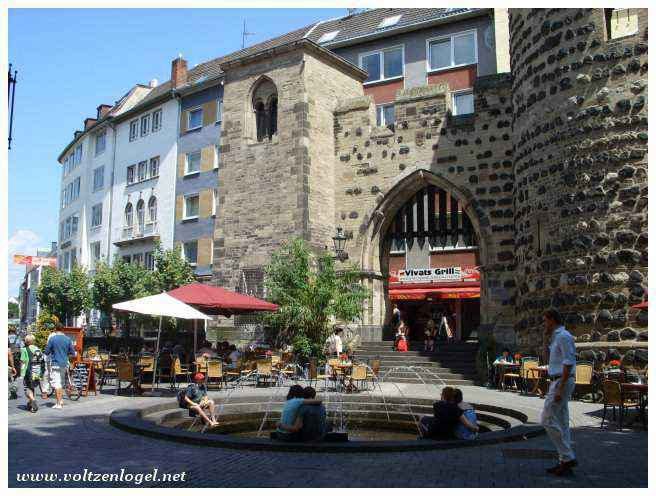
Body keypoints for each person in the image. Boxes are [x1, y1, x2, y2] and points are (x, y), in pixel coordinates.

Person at [541, 308, 578, 476]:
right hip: (557, 380)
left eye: (545, 320)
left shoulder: (564, 336)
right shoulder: (556, 337)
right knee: (562, 421)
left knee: (547, 418)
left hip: (561, 381)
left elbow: (568, 362)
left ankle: (568, 456)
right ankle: (564, 461)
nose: (544, 324)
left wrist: (560, 388)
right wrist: (545, 340)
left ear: (552, 320)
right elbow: (548, 358)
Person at [44, 330, 77, 409]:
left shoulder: (53, 339)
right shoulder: (68, 339)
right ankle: (60, 400)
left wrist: (53, 351)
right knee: (61, 382)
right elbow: (73, 353)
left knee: (56, 383)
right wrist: (66, 355)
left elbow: (46, 351)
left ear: (56, 330)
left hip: (55, 363)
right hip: (64, 363)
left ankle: (58, 403)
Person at [19, 334, 44, 413]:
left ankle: (33, 401)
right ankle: (31, 405)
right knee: (32, 387)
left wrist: (22, 373)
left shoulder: (24, 349)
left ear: (26, 341)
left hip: (28, 371)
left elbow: (23, 362)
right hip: (36, 372)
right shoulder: (37, 349)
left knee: (27, 388)